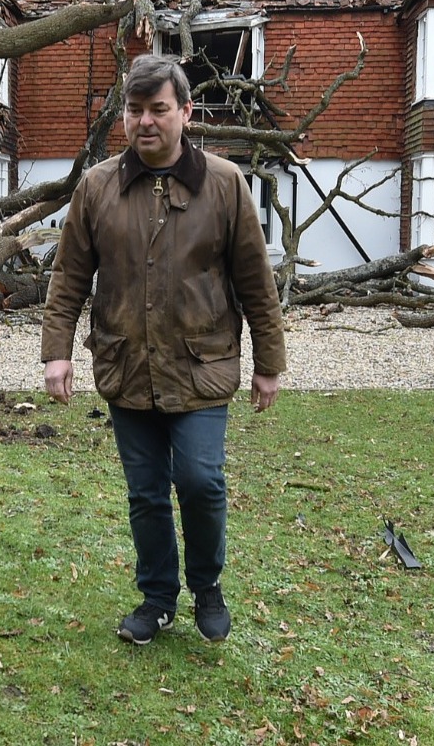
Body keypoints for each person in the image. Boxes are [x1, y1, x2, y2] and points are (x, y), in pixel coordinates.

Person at [42, 54, 286, 645]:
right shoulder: (97, 187)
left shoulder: (225, 184)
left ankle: (206, 586)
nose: (145, 122)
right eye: (135, 110)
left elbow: (255, 279)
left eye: (158, 109)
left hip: (202, 367)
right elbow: (71, 275)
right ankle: (156, 599)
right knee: (146, 491)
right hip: (127, 364)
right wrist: (58, 350)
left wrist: (268, 362)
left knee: (201, 481)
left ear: (185, 113)